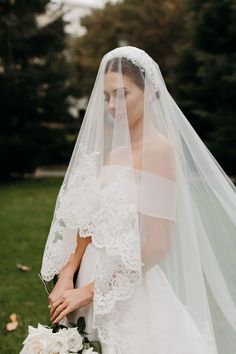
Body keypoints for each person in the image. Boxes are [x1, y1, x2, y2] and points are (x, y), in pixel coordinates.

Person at [40, 46, 236, 354]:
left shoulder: (159, 151)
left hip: (125, 291)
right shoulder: (115, 152)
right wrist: (67, 276)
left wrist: (91, 292)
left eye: (122, 94)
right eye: (107, 97)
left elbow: (158, 243)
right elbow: (90, 223)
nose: (112, 105)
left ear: (147, 92)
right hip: (85, 283)